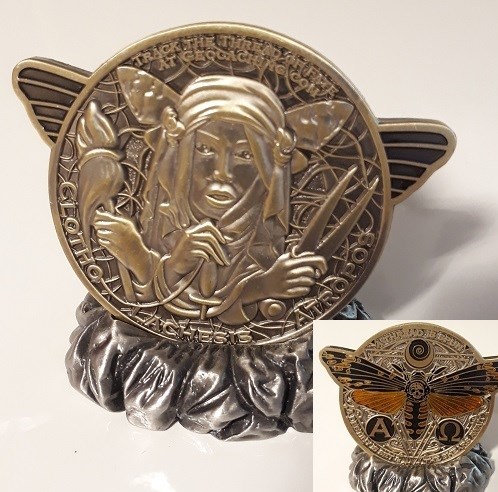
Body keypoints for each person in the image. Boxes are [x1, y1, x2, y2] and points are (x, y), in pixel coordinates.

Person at [93, 73, 327, 325]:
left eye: (245, 154)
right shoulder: (162, 227)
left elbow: (225, 311)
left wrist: (264, 286)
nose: (222, 173)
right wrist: (157, 260)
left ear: (266, 167)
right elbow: (151, 307)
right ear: (181, 155)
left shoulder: (259, 241)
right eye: (205, 149)